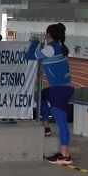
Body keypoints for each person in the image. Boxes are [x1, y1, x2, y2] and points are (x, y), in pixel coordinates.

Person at [26, 23, 74, 164]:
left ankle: (64, 155)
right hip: (62, 88)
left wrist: (34, 42)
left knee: (61, 123)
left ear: (48, 35)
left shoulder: (51, 48)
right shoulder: (59, 46)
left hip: (59, 90)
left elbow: (30, 56)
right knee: (41, 95)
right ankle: (46, 126)